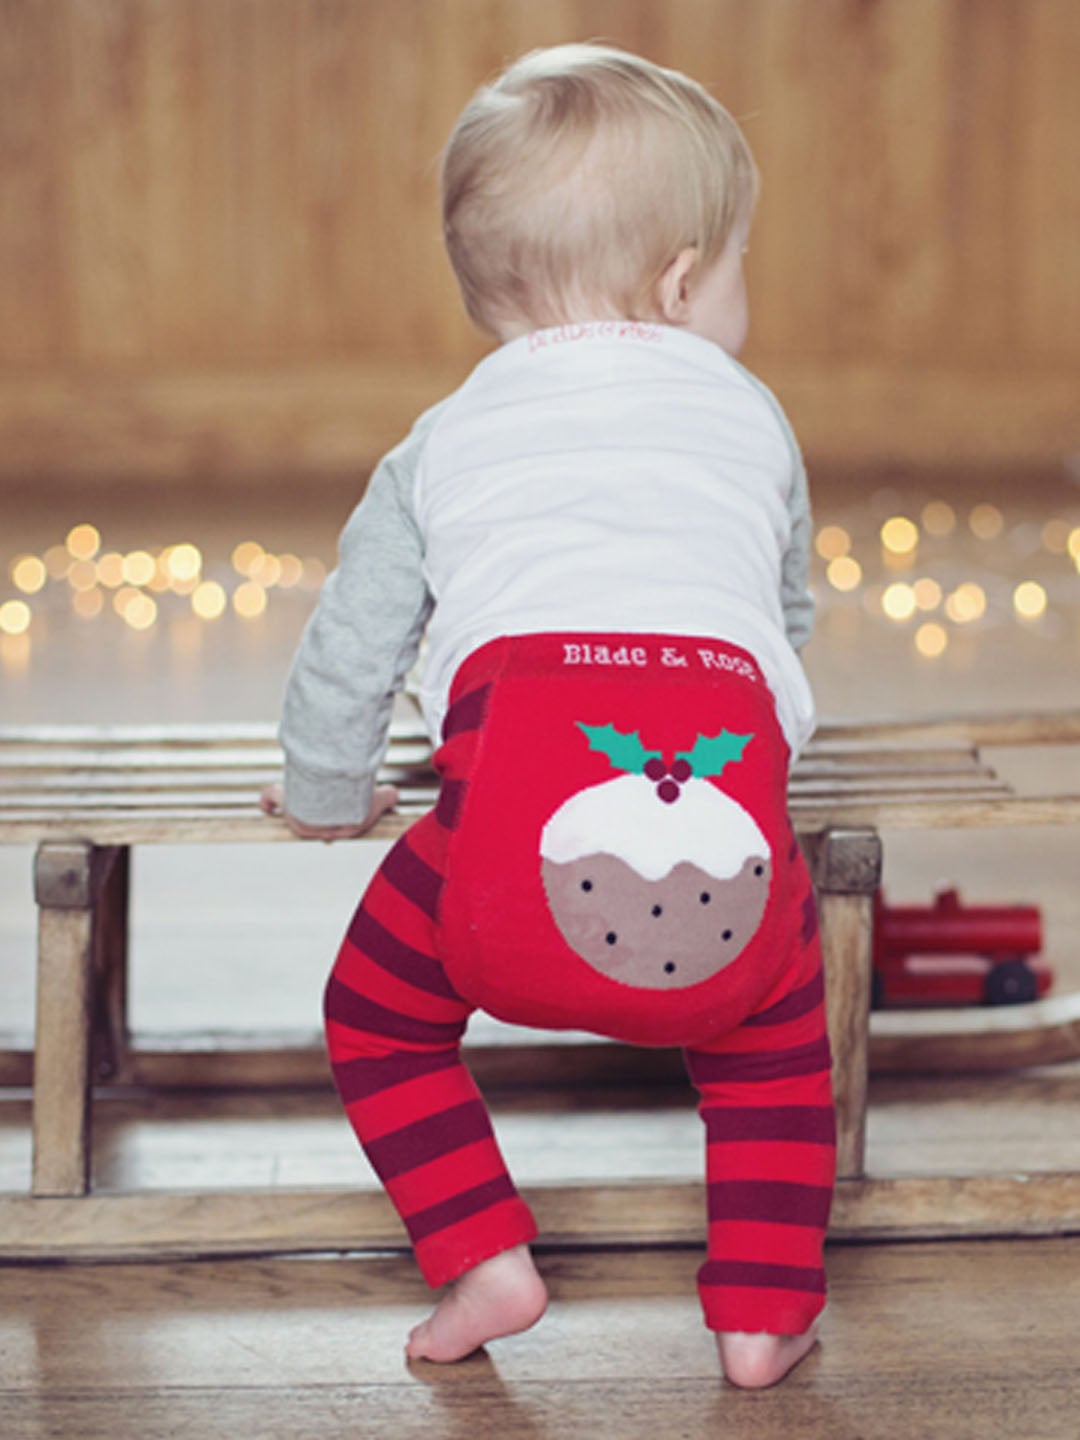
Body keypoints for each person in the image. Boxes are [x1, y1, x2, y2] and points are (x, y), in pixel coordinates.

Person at [261, 43, 833, 1390]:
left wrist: (331, 793)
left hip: (490, 855)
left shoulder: (444, 438)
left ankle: (481, 1258)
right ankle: (762, 1315)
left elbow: (352, 642)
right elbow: (785, 616)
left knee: (375, 1015)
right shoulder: (751, 419)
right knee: (772, 1058)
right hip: (731, 841)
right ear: (686, 283)